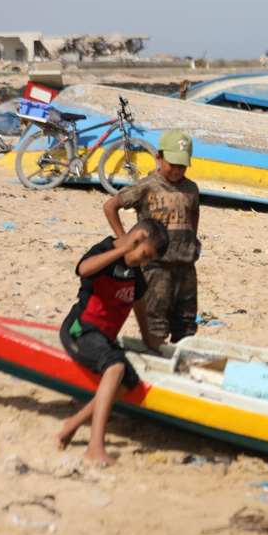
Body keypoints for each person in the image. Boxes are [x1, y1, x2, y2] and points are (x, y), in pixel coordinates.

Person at [56, 219, 170, 464]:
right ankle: (95, 447)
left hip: (104, 338)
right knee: (115, 367)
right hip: (80, 329)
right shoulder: (107, 250)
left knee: (129, 379)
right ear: (137, 238)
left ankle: (73, 423)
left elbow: (138, 300)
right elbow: (83, 269)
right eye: (145, 254)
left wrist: (147, 336)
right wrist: (122, 249)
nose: (145, 262)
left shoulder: (135, 271)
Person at [104, 130, 201, 351]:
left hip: (186, 267)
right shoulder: (146, 186)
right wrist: (126, 243)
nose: (176, 170)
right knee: (156, 326)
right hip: (156, 268)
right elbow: (111, 207)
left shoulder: (191, 188)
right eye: (172, 164)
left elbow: (194, 210)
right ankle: (158, 364)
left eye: (182, 166)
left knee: (186, 326)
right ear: (159, 157)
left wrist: (193, 238)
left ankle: (180, 367)